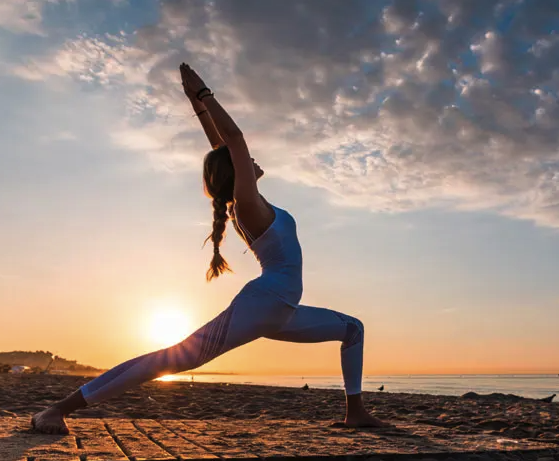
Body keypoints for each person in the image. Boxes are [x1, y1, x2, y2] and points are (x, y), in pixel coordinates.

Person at [30, 63, 387, 434]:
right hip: (262, 304)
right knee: (169, 359)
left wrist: (196, 106)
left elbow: (222, 146)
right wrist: (205, 94)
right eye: (246, 160)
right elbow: (233, 139)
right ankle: (58, 409)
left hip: (284, 310)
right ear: (238, 170)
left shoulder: (252, 201)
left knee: (352, 329)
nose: (253, 159)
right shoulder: (245, 203)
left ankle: (355, 412)